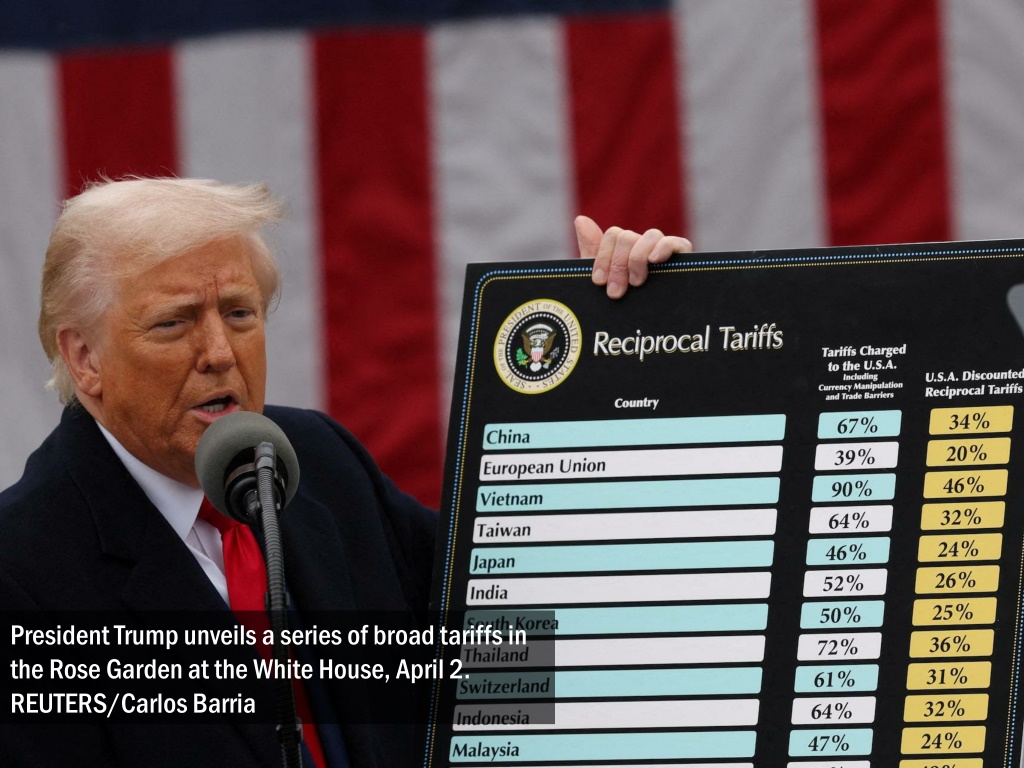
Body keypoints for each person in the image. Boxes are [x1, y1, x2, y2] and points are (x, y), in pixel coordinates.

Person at [0, 177, 691, 767]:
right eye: (173, 324)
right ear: (84, 358)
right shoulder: (23, 570)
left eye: (239, 313)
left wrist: (619, 357)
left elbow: (520, 645)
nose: (219, 352)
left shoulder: (317, 460)